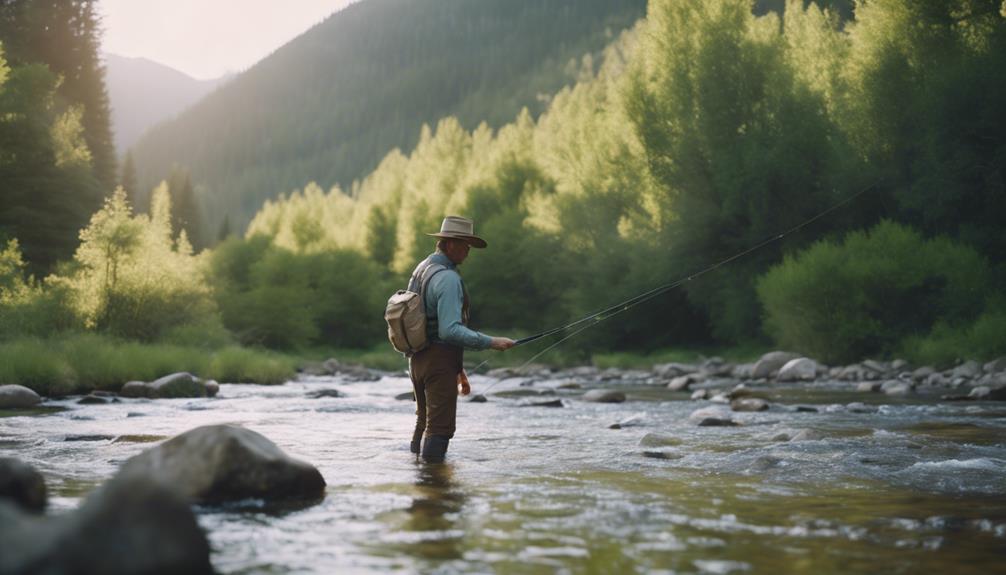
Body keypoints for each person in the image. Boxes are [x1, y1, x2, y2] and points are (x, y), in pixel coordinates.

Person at [408, 215, 515, 463]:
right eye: (465, 244)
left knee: (424, 422)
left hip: (417, 360)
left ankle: (416, 478)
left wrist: (457, 369)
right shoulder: (448, 278)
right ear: (451, 243)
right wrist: (491, 341)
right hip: (437, 362)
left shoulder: (422, 269)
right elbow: (449, 331)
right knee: (440, 429)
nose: (468, 251)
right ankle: (435, 489)